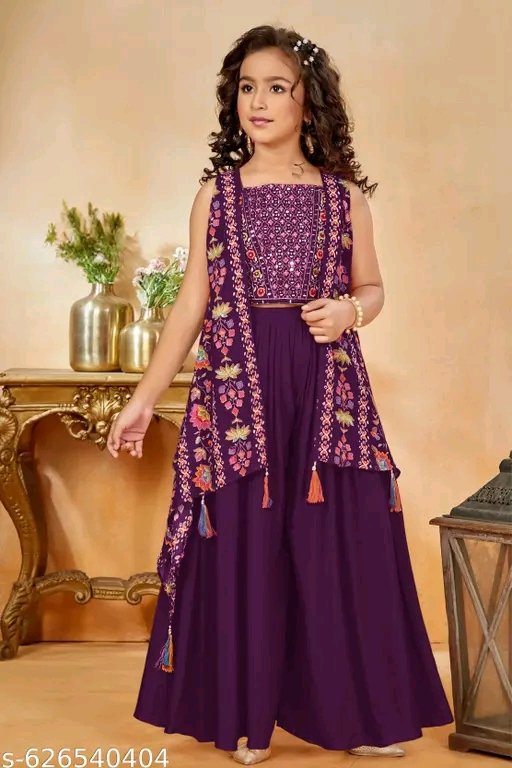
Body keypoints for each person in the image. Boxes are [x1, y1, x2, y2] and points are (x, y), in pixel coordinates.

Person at [107, 24, 453, 765]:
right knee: (246, 547)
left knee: (338, 546)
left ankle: (360, 716)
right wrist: (142, 398)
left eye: (276, 87)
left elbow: (373, 287)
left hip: (327, 389)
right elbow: (192, 305)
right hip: (240, 391)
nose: (257, 102)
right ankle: (245, 716)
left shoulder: (343, 198)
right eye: (246, 88)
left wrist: (350, 312)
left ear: (307, 101)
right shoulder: (218, 196)